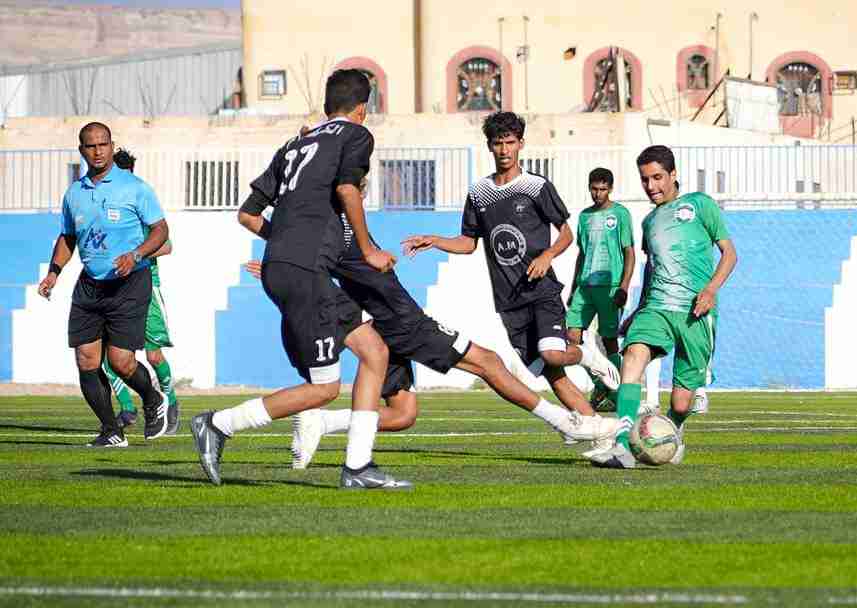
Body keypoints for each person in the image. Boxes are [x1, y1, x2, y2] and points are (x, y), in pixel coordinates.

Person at [243, 173, 618, 469]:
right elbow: (254, 217)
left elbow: (269, 229)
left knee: (403, 414)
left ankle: (322, 423)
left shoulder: (324, 230)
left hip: (379, 326)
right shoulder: (339, 227)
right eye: (358, 184)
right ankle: (564, 422)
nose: (362, 188)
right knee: (488, 363)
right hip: (403, 320)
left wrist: (284, 259)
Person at [189, 69, 408, 490]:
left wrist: (285, 243)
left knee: (374, 351)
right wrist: (367, 250)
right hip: (305, 271)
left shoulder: (294, 144)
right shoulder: (355, 135)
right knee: (325, 389)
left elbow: (248, 215)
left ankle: (358, 467)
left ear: (327, 105)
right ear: (363, 108)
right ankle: (218, 424)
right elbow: (348, 190)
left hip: (286, 265)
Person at [401, 112, 621, 438]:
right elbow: (467, 244)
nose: (504, 150)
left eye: (510, 142)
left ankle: (588, 355)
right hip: (509, 302)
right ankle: (600, 432)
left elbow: (566, 234)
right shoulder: (479, 193)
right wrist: (434, 240)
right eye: (498, 143)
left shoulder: (536, 186)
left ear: (521, 143)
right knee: (552, 375)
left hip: (542, 292)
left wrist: (547, 255)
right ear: (489, 146)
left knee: (552, 352)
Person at [591, 145, 737, 469]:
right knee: (633, 357)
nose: (651, 186)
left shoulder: (700, 205)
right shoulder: (648, 222)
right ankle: (621, 447)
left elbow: (730, 254)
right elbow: (651, 269)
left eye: (657, 177)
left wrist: (710, 290)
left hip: (696, 312)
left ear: (673, 174)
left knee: (681, 403)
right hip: (656, 307)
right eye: (645, 179)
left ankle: (674, 428)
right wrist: (637, 310)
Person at [37, 122, 170, 447]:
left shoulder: (135, 187)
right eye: (91, 146)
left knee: (121, 361)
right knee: (86, 359)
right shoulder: (74, 193)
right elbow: (68, 237)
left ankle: (153, 398)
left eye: (103, 144)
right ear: (81, 150)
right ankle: (111, 430)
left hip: (129, 283)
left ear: (111, 146)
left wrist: (136, 254)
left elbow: (161, 231)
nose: (98, 151)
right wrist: (54, 272)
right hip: (90, 285)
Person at [101, 148, 181, 435]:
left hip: (146, 288)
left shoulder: (141, 204)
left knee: (153, 355)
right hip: (113, 291)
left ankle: (170, 402)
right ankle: (127, 407)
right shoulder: (102, 208)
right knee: (107, 357)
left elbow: (167, 245)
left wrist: (135, 255)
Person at [565, 167, 634, 411]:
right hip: (585, 287)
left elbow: (629, 252)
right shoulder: (584, 216)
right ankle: (600, 383)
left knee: (610, 341)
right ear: (589, 188)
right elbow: (582, 254)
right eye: (594, 189)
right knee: (571, 338)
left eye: (603, 189)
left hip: (610, 287)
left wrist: (623, 287)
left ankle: (616, 392)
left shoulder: (620, 214)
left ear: (610, 189)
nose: (598, 193)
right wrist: (573, 287)